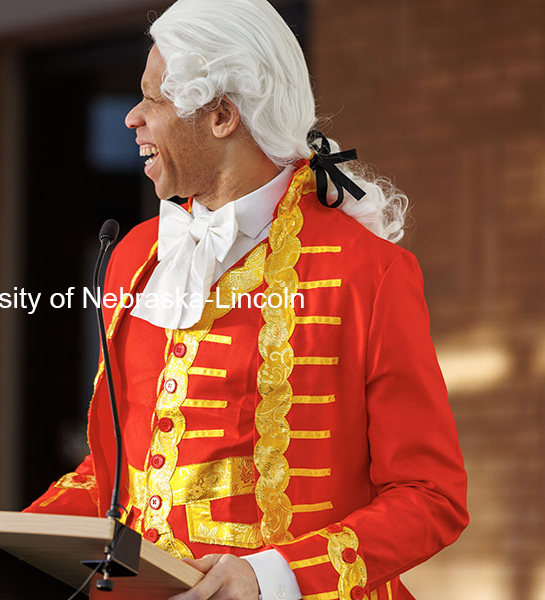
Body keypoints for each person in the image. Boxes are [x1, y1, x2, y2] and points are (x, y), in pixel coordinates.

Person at [24, 1, 468, 598]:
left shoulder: (371, 272)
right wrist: (3, 544)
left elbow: (430, 497)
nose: (133, 118)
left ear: (222, 116)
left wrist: (271, 576)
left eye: (154, 99)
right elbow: (111, 478)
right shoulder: (135, 255)